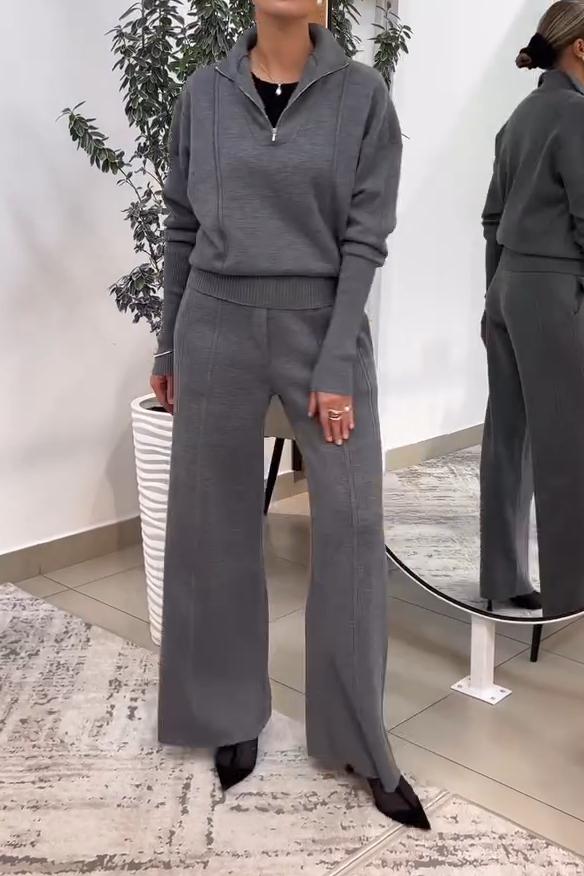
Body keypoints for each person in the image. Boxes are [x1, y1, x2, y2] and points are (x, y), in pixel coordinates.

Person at [149, 0, 430, 831]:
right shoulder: (203, 92)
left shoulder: (362, 94)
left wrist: (337, 359)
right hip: (214, 322)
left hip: (322, 328)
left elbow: (365, 238)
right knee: (211, 526)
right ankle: (228, 713)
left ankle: (358, 737)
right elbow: (180, 226)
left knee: (351, 527)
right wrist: (167, 345)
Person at [480, 0, 584, 617]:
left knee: (508, 435)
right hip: (552, 288)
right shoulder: (577, 115)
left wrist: (490, 296)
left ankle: (504, 579)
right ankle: (574, 596)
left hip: (507, 284)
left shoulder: (519, 115)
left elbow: (492, 218)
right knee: (567, 445)